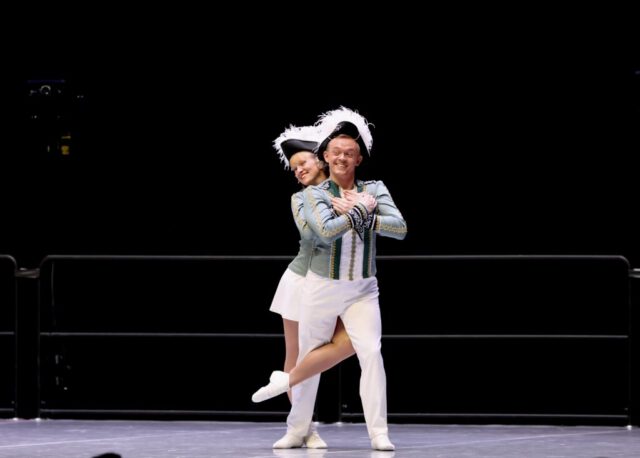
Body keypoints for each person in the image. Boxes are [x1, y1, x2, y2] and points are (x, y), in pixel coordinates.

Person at [266, 107, 407, 451]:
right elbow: (325, 232)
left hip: (363, 288)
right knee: (307, 353)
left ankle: (379, 432)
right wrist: (361, 210)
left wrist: (366, 214)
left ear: (359, 158)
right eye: (337, 152)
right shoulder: (312, 195)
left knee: (371, 352)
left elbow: (400, 228)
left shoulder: (375, 188)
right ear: (326, 157)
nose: (342, 158)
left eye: (349, 153)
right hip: (320, 284)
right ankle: (298, 429)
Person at [257, 124, 357, 448]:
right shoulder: (300, 199)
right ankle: (302, 428)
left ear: (321, 160)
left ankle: (286, 383)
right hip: (304, 280)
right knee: (298, 355)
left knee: (353, 341)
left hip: (343, 284)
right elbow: (316, 233)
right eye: (294, 167)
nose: (298, 170)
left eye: (303, 162)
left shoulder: (346, 190)